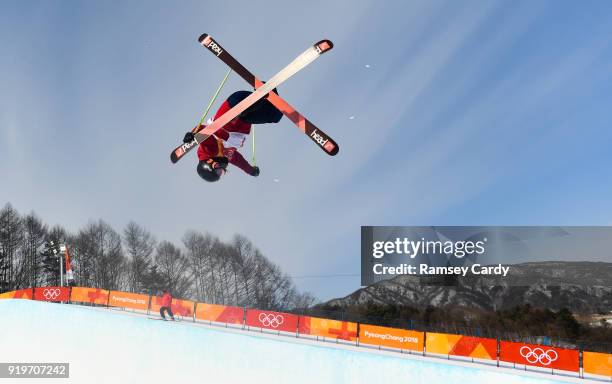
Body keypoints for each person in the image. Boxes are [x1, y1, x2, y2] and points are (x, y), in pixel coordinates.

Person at [183, 89, 283, 182]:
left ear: (209, 163)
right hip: (245, 116)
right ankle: (266, 93)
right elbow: (239, 161)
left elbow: (204, 133)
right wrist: (250, 171)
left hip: (233, 107)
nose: (222, 170)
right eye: (221, 173)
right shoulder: (226, 156)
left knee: (256, 106)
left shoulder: (208, 151)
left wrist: (193, 135)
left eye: (218, 171)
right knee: (276, 116)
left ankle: (256, 100)